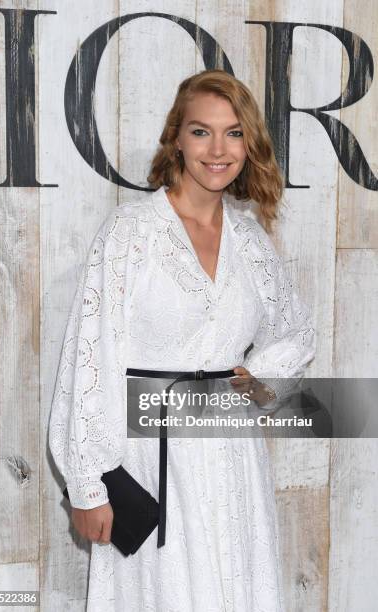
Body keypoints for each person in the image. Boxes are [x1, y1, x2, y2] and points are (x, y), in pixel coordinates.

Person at [49, 69, 316, 611]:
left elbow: (295, 332)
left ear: (250, 144)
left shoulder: (249, 239)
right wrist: (87, 482)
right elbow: (89, 356)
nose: (218, 149)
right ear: (177, 137)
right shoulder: (131, 233)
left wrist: (260, 379)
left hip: (232, 456)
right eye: (201, 131)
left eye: (234, 133)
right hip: (150, 458)